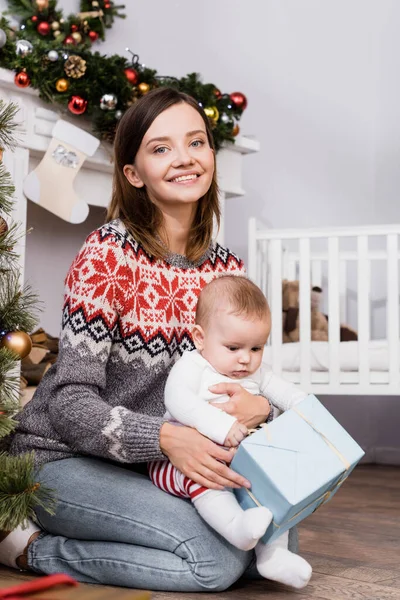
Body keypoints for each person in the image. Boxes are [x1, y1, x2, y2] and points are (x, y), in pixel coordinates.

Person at [0, 87, 297, 592]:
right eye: (161, 148)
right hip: (61, 457)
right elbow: (70, 402)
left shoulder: (227, 269)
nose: (185, 159)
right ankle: (29, 548)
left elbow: (245, 373)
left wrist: (258, 407)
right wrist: (162, 438)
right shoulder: (107, 255)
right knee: (215, 563)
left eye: (196, 142)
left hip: (156, 468)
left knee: (262, 540)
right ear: (134, 173)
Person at [149, 275, 312, 589]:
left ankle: (272, 556)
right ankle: (235, 525)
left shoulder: (256, 371)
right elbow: (177, 399)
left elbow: (284, 392)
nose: (245, 358)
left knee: (275, 485)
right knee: (207, 480)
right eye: (234, 347)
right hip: (178, 462)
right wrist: (221, 426)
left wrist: (305, 407)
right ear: (199, 337)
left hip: (236, 460)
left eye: (256, 347)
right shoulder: (193, 365)